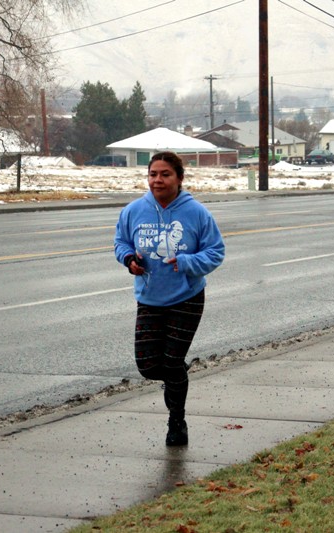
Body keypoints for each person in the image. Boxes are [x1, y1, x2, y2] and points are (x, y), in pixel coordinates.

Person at [114, 151, 225, 446]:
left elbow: (216, 252)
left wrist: (187, 262)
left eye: (165, 174)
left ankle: (177, 421)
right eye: (153, 174)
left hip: (186, 297)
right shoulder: (134, 211)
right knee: (149, 366)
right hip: (149, 297)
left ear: (179, 178)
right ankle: (178, 374)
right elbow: (121, 241)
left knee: (172, 359)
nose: (157, 180)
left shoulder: (197, 213)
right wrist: (128, 259)